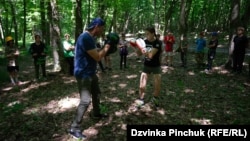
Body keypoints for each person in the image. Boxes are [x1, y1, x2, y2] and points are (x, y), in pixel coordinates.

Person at [68, 17, 119, 139]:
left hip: (90, 72)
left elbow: (95, 52)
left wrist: (108, 49)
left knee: (96, 93)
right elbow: (97, 57)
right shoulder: (85, 37)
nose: (102, 31)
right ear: (96, 27)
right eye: (102, 28)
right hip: (83, 73)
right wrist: (107, 45)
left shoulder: (91, 38)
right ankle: (74, 128)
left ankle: (96, 113)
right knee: (85, 100)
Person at [136, 26, 162, 108]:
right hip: (146, 65)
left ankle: (155, 98)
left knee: (157, 83)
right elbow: (138, 54)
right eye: (145, 34)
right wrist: (137, 47)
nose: (146, 35)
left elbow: (151, 55)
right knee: (142, 84)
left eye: (147, 34)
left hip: (156, 65)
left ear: (153, 33)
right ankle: (141, 99)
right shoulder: (144, 42)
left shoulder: (158, 42)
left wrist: (143, 49)